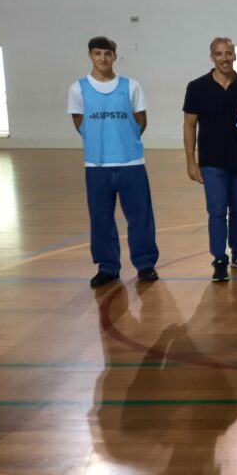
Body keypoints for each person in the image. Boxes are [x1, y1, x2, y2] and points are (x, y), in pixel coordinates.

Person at [68, 36, 159, 288]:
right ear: (90, 55)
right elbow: (79, 122)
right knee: (101, 218)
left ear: (114, 56)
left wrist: (125, 139)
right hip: (97, 165)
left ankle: (145, 264)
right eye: (97, 53)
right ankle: (107, 267)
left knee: (140, 216)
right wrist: (98, 140)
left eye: (107, 53)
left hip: (131, 162)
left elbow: (140, 120)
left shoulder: (131, 86)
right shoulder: (78, 89)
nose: (103, 58)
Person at [183, 37, 237, 282]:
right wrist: (191, 161)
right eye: (219, 54)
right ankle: (219, 258)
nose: (224, 58)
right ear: (212, 57)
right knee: (217, 211)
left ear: (234, 56)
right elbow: (189, 125)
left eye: (228, 53)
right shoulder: (197, 87)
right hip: (211, 161)